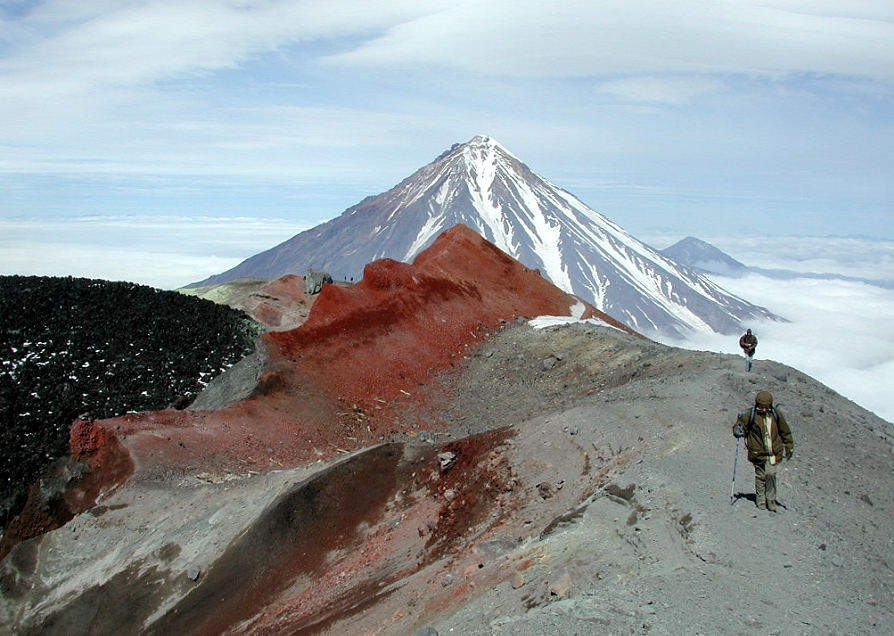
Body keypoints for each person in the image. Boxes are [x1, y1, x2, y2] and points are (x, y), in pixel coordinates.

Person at [733, 390, 794, 511]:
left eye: (766, 407)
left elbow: (785, 432)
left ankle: (770, 499)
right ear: (757, 404)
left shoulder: (776, 415)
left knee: (770, 474)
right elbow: (739, 426)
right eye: (762, 407)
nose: (764, 410)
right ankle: (761, 500)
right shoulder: (750, 415)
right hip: (757, 452)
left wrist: (789, 447)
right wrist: (737, 430)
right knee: (760, 475)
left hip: (773, 452)